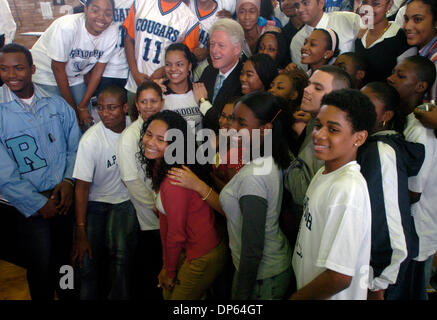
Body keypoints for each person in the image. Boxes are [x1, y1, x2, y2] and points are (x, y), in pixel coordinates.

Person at [168, 92, 295, 300]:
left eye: (241, 123)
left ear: (264, 130)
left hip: (262, 279)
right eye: (232, 118)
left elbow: (252, 249)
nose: (232, 127)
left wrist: (240, 293)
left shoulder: (253, 176)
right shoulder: (263, 156)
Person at [0, 44, 81, 300]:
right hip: (29, 206)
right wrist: (37, 203)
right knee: (40, 265)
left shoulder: (55, 103)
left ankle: (68, 296)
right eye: (3, 68)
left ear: (32, 69)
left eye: (19, 67)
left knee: (66, 261)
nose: (11, 74)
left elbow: (75, 147)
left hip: (62, 198)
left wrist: (69, 181)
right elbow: (3, 174)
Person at [290, 88, 376, 300]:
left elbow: (339, 276)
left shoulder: (347, 189)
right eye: (318, 125)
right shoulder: (324, 172)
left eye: (333, 130)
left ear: (359, 138)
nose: (319, 134)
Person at [138, 110, 227, 300]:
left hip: (204, 253)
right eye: (149, 134)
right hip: (188, 248)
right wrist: (166, 265)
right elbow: (165, 221)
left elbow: (176, 234)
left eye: (161, 139)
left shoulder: (173, 181)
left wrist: (170, 272)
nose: (150, 142)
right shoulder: (159, 166)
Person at [71, 85, 138, 300]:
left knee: (120, 259)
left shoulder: (135, 130)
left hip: (125, 201)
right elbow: (81, 187)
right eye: (100, 108)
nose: (105, 113)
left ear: (125, 107)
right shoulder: (90, 140)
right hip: (96, 202)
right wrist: (80, 230)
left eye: (112, 108)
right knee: (88, 262)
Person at [359, 82, 425, 300]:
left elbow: (388, 224)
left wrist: (377, 282)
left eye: (366, 104)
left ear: (385, 115)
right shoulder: (370, 145)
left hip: (383, 279)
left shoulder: (382, 151)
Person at [387, 55, 437, 299]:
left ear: (420, 87)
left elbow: (414, 192)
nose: (390, 78)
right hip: (407, 228)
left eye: (400, 75)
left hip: (418, 228)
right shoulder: (403, 118)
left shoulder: (421, 130)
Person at [30, 0, 119, 131]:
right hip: (46, 72)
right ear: (86, 10)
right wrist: (74, 110)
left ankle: (84, 145)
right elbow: (57, 68)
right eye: (95, 10)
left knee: (85, 114)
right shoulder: (67, 27)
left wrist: (82, 106)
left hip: (74, 74)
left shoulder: (112, 32)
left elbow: (98, 71)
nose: (101, 17)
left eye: (108, 13)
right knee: (62, 115)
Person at [116, 81, 164, 299]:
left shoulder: (163, 127)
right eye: (143, 101)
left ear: (162, 103)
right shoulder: (129, 137)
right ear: (136, 104)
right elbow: (131, 180)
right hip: (150, 214)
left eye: (153, 101)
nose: (148, 106)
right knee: (151, 268)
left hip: (165, 208)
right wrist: (154, 205)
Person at [284, 65, 352, 212]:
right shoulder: (313, 123)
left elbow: (301, 193)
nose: (306, 90)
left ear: (337, 96)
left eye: (318, 88)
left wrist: (281, 154)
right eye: (309, 84)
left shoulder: (326, 137)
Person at [122, 0, 200, 120]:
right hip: (135, 81)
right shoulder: (140, 3)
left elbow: (185, 59)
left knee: (161, 129)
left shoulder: (190, 19)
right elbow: (129, 39)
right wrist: (134, 72)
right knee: (136, 127)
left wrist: (162, 72)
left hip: (165, 88)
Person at [195, 18, 245, 133]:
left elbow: (225, 124)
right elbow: (195, 90)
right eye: (212, 44)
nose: (214, 50)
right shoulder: (209, 70)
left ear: (237, 49)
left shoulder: (243, 79)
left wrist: (203, 102)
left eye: (221, 45)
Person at [354, 0, 416, 83]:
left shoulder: (402, 40)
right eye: (364, 3)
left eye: (376, 4)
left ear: (389, 5)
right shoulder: (358, 35)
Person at [289, 0, 361, 71]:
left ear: (321, 3)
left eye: (305, 3)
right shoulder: (297, 41)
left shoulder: (348, 20)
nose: (300, 9)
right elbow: (305, 75)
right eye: (296, 5)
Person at [159, 43, 203, 133]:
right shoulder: (159, 93)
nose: (173, 69)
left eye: (179, 64)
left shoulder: (200, 90)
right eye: (168, 64)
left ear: (189, 66)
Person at [403, 0, 437, 100]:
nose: (407, 27)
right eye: (406, 19)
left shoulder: (435, 61)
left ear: (435, 22)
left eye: (417, 19)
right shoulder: (415, 52)